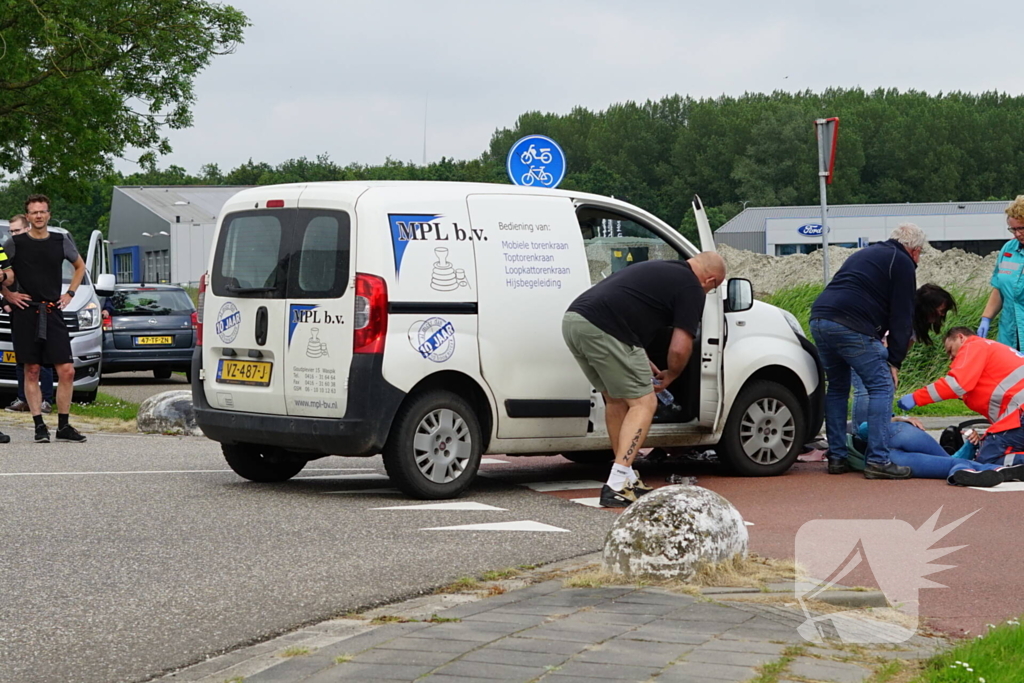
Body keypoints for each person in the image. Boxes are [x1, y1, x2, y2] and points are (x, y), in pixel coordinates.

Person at [562, 252, 727, 507]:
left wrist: (640, 356)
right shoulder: (692, 288)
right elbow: (680, 347)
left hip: (575, 320)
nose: (708, 293)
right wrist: (671, 374)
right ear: (711, 280)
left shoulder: (664, 268)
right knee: (644, 403)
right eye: (713, 288)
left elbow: (629, 305)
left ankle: (626, 476)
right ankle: (617, 483)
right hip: (608, 327)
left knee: (616, 400)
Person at [810, 222, 927, 480]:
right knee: (882, 386)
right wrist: (894, 360)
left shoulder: (866, 253)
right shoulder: (903, 262)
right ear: (915, 250)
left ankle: (837, 457)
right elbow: (902, 315)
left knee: (838, 388)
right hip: (851, 325)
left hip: (820, 318)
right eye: (920, 254)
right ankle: (878, 460)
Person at [2, 195, 87, 443]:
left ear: (49, 214)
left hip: (52, 311)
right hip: (26, 313)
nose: (38, 216)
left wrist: (70, 293)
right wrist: (8, 294)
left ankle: (63, 426)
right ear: (27, 217)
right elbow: (3, 273)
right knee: (32, 370)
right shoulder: (15, 242)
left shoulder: (61, 241)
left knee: (67, 371)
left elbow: (80, 267)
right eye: (34, 212)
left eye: (42, 212)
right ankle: (39, 425)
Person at [898, 327, 1024, 468]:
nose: (950, 358)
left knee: (986, 462)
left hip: (1019, 415)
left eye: (950, 350)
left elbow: (956, 385)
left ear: (961, 337)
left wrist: (916, 397)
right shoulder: (990, 350)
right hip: (1018, 416)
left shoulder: (973, 346)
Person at [850, 283, 957, 426]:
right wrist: (887, 366)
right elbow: (885, 343)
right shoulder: (902, 315)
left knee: (885, 386)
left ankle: (879, 424)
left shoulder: (915, 326)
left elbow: (902, 351)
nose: (942, 314)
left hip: (876, 350)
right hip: (865, 346)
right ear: (927, 306)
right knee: (864, 390)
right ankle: (861, 430)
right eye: (941, 309)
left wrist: (893, 369)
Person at [849, 417, 1024, 487]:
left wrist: (970, 446)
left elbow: (864, 429)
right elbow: (865, 427)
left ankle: (986, 470)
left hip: (885, 456)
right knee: (952, 463)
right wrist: (898, 418)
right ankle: (988, 470)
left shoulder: (842, 446)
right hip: (900, 437)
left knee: (952, 463)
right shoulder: (848, 433)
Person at [3, 214, 54, 414]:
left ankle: (46, 399)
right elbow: (3, 275)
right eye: (11, 231)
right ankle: (23, 398)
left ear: (27, 229)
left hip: (41, 308)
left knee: (44, 356)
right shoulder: (9, 247)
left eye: (17, 231)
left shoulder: (40, 246)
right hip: (20, 310)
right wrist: (7, 299)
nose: (13, 235)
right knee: (22, 357)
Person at [978, 195, 1024, 348]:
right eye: (1013, 229)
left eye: (1021, 228)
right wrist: (986, 318)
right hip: (1009, 333)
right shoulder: (1008, 249)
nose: (1017, 234)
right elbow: (999, 288)